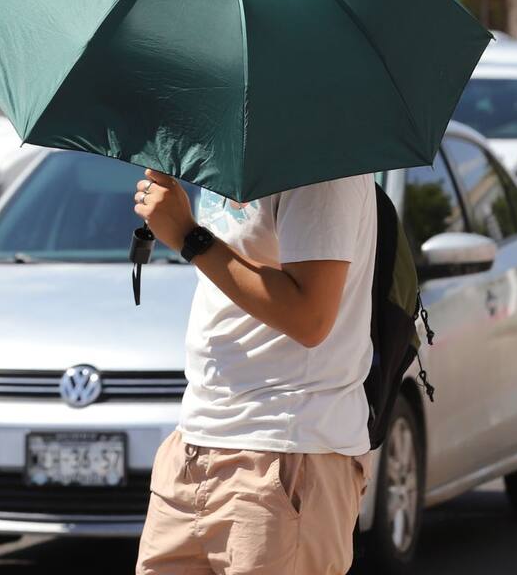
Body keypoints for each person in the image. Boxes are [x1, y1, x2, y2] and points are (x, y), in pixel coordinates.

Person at [132, 167, 376, 575]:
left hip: (287, 452)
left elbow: (310, 318)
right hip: (195, 443)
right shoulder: (230, 153)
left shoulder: (320, 165)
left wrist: (189, 237)